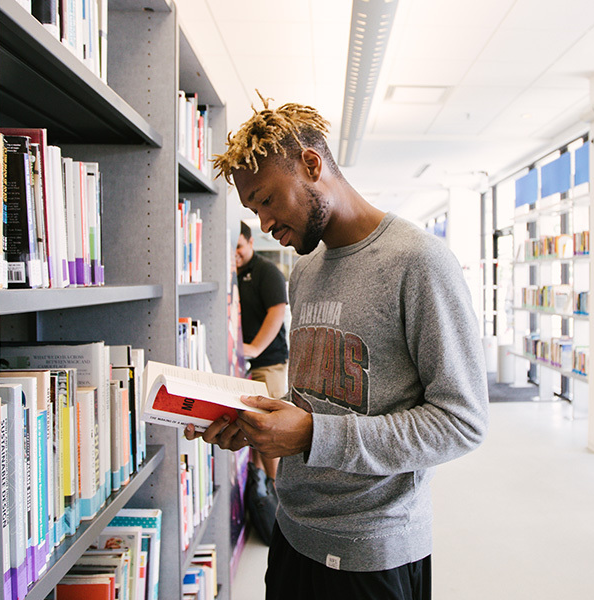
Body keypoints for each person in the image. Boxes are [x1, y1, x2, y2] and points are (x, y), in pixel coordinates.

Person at [186, 95, 489, 600]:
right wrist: (265, 425)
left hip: (371, 553)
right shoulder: (305, 270)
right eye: (253, 208)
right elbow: (319, 403)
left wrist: (309, 434)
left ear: (311, 164)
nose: (263, 224)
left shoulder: (419, 262)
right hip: (293, 533)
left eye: (266, 199)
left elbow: (463, 421)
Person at [235, 219, 289, 544]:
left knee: (269, 433)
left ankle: (280, 501)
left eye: (239, 248)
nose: (235, 255)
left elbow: (277, 312)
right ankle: (263, 504)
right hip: (239, 365)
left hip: (268, 364)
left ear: (250, 243)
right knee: (250, 434)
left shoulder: (266, 272)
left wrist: (254, 348)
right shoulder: (229, 273)